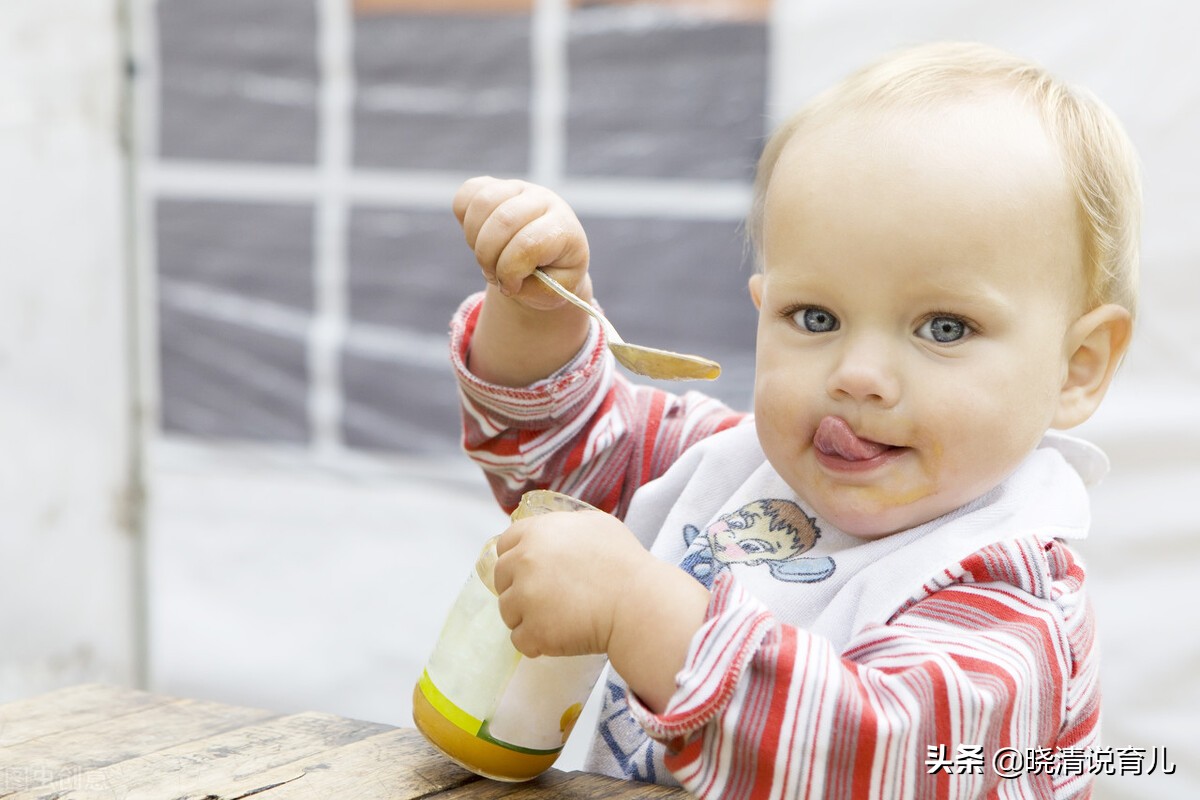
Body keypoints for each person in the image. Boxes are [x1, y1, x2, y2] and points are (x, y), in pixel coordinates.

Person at [446, 41, 1139, 799]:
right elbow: (562, 455)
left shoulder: (1012, 595)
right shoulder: (733, 467)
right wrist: (538, 314)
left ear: (1078, 367)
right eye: (815, 317)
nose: (858, 375)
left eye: (944, 327)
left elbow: (874, 762)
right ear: (761, 308)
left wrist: (637, 611)